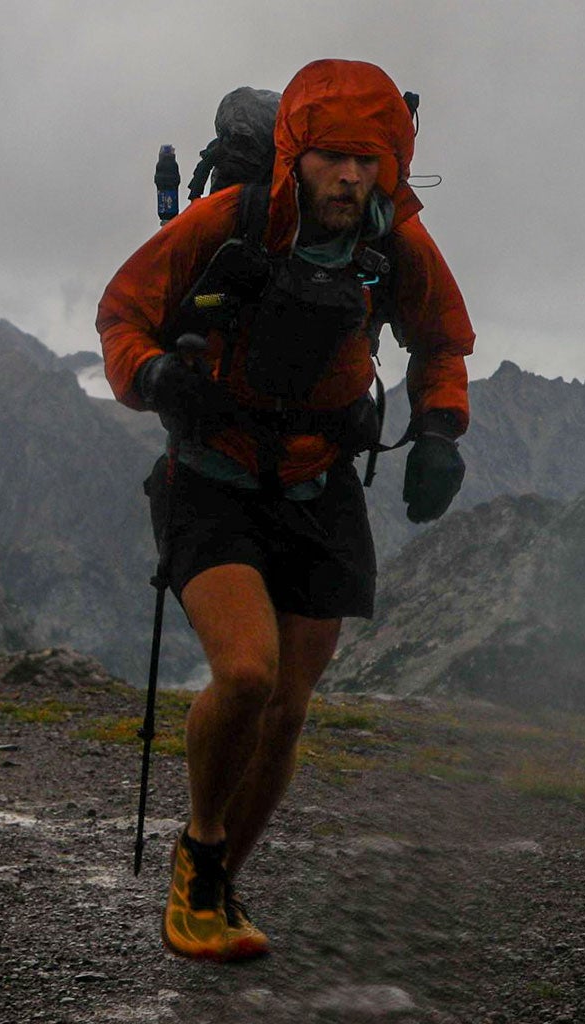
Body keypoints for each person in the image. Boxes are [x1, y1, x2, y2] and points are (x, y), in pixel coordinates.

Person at [97, 58, 473, 963]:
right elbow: (122, 314)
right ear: (296, 156)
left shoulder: (395, 244)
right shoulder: (227, 222)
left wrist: (440, 429)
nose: (351, 176)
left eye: (370, 160)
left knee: (292, 707)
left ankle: (217, 885)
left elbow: (442, 340)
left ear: (392, 164)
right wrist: (153, 379)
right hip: (211, 475)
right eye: (334, 157)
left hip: (319, 480)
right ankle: (202, 853)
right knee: (250, 676)